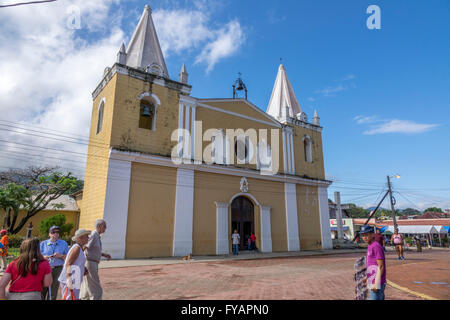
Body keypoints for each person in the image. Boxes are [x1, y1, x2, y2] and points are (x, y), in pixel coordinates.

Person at [80, 219, 111, 300]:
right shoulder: (94, 235)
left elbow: (93, 249)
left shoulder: (96, 236)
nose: (106, 228)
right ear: (99, 226)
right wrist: (79, 260)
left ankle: (83, 298)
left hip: (92, 262)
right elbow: (84, 247)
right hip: (90, 263)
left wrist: (104, 254)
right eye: (104, 226)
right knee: (96, 288)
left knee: (88, 286)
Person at [58, 229, 90, 300]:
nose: (88, 237)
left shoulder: (79, 248)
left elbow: (75, 262)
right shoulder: (76, 248)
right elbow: (68, 264)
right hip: (72, 279)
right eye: (86, 236)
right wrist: (69, 279)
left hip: (75, 278)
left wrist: (83, 268)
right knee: (70, 298)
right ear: (81, 237)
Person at [40, 225, 69, 300]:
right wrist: (43, 257)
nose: (55, 234)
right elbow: (36, 256)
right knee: (43, 289)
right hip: (45, 269)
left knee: (53, 290)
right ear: (49, 234)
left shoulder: (63, 243)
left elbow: (69, 257)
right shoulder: (43, 244)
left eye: (57, 232)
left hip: (57, 269)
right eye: (53, 232)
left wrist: (61, 256)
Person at [360, 225, 386, 300]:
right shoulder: (370, 246)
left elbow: (381, 266)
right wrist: (367, 277)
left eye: (366, 235)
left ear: (372, 234)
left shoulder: (376, 246)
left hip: (377, 282)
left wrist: (376, 283)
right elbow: (372, 264)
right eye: (363, 235)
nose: (365, 237)